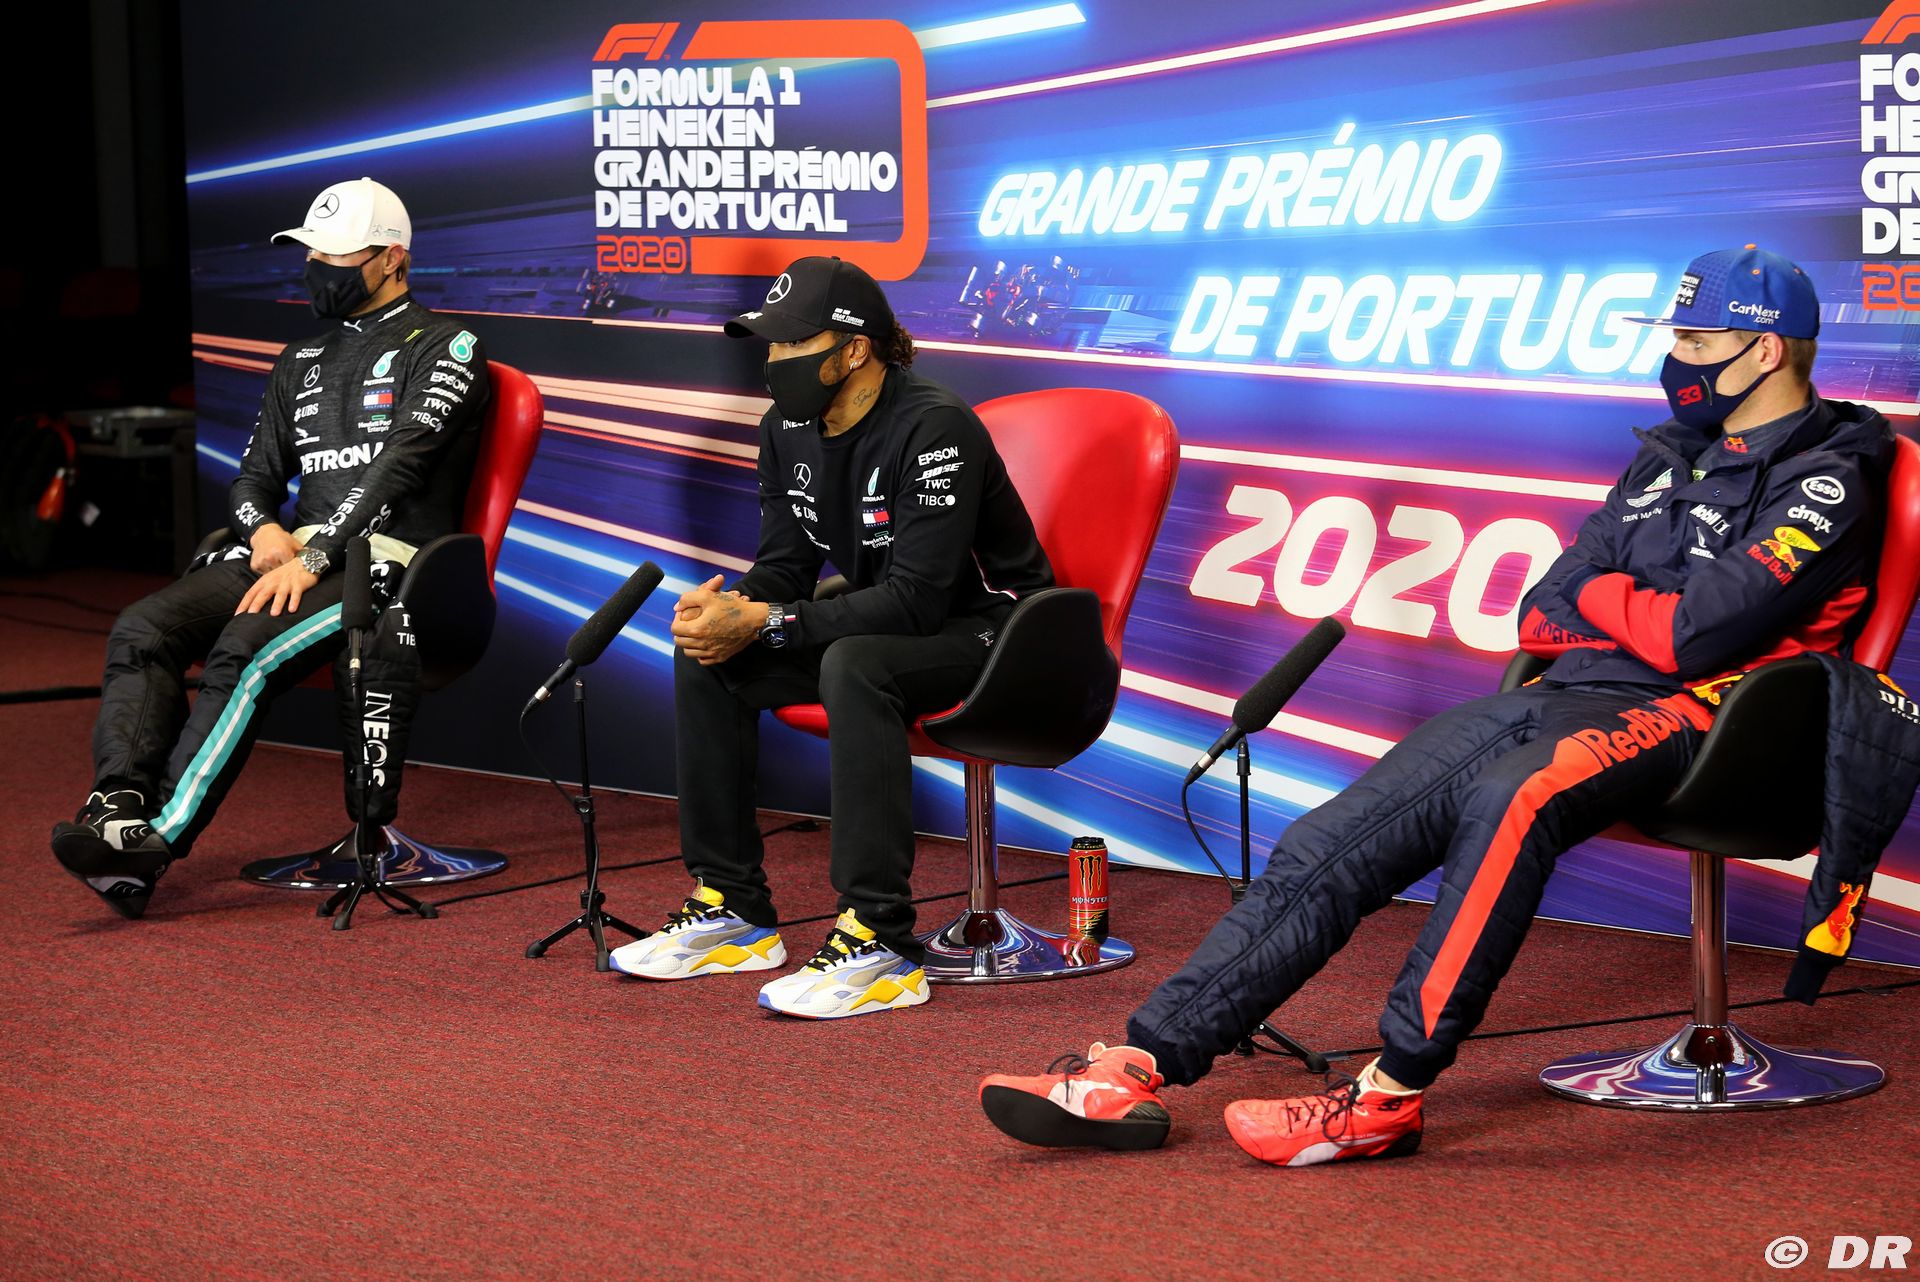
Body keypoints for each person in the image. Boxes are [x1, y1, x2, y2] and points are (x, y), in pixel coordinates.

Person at [977, 246, 1894, 1165]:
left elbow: (1697, 639)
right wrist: (1627, 612)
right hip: (1572, 694)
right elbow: (1540, 608)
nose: (1675, 360)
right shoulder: (1667, 458)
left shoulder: (1830, 477)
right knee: (1333, 838)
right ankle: (1139, 1063)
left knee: (1511, 801)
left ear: (1765, 349)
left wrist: (1611, 603)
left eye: (1695, 340)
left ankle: (1388, 1096)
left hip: (1714, 718)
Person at [610, 255, 1054, 1019]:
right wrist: (731, 612)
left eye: (793, 344)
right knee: (713, 658)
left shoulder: (934, 424)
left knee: (854, 663)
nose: (775, 360)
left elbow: (919, 601)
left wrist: (770, 621)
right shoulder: (785, 428)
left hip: (1001, 632)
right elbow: (785, 568)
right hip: (895, 624)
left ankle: (880, 942)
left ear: (854, 350)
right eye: (771, 344)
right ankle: (732, 908)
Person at [50, 177, 489, 919]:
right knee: (143, 626)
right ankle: (119, 809)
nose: (317, 266)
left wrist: (316, 559)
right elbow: (254, 477)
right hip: (297, 557)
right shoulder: (300, 357)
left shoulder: (448, 344)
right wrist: (262, 530)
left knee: (243, 650)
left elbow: (401, 467)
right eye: (310, 251)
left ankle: (155, 841)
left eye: (335, 253)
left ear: (391, 258)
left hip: (392, 563)